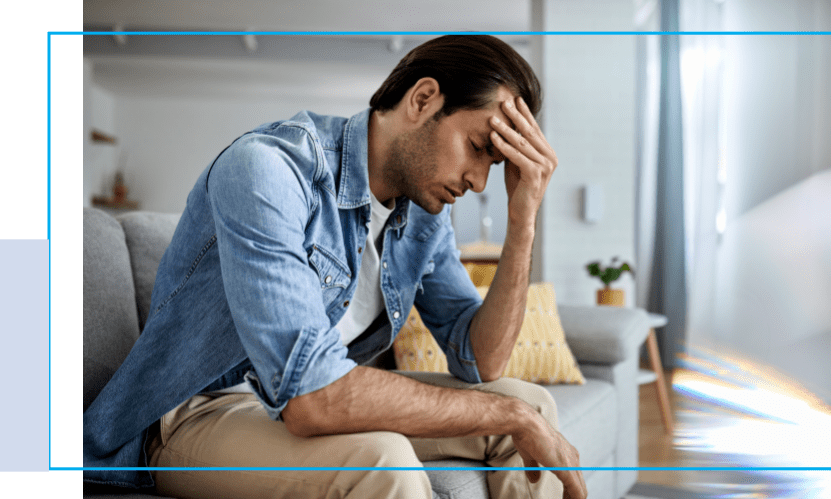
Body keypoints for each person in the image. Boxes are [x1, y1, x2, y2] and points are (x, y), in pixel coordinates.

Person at [83, 34, 588, 499]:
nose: (479, 181)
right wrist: (508, 414)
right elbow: (311, 398)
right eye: (478, 148)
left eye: (494, 165)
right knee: (384, 462)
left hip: (302, 408)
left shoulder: (425, 216)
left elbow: (482, 363)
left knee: (533, 404)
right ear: (422, 99)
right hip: (199, 412)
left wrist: (523, 223)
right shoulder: (269, 169)